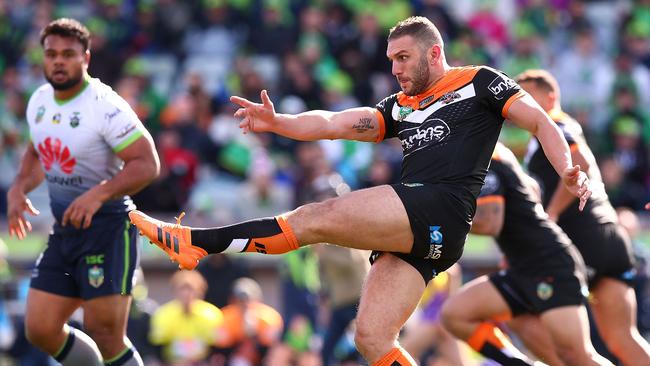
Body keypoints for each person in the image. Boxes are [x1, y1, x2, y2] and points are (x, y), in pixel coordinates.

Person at [130, 16, 591, 365]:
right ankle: (199, 245)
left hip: (439, 205)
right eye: (390, 60)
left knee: (317, 216)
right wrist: (278, 123)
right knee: (372, 341)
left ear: (434, 54)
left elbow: (538, 121)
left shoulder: (480, 82)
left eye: (403, 58)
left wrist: (568, 168)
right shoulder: (400, 106)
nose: (394, 69)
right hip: (429, 236)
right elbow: (333, 123)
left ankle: (197, 244)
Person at [6, 18, 159, 366]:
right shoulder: (40, 101)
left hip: (108, 229)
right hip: (66, 231)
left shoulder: (105, 104)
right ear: (43, 59)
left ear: (86, 58)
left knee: (105, 334)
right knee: (40, 328)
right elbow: (35, 153)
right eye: (51, 54)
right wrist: (18, 188)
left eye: (68, 54)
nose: (59, 61)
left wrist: (98, 195)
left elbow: (147, 164)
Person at [516, 69, 650, 365]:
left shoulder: (555, 124)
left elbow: (582, 162)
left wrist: (550, 213)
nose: (521, 102)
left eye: (528, 95)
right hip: (610, 238)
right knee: (622, 338)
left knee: (522, 312)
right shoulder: (548, 133)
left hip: (584, 239)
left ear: (551, 96)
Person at [441, 142, 611, 366]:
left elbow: (491, 222)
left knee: (577, 356)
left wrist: (440, 221)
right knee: (455, 314)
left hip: (549, 265)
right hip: (520, 267)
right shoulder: (491, 154)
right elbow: (533, 189)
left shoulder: (487, 156)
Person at [149, 271, 223, 365]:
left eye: (191, 289)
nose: (187, 294)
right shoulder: (163, 314)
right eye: (182, 289)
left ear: (201, 291)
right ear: (175, 291)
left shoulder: (212, 314)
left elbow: (218, 348)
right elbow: (157, 347)